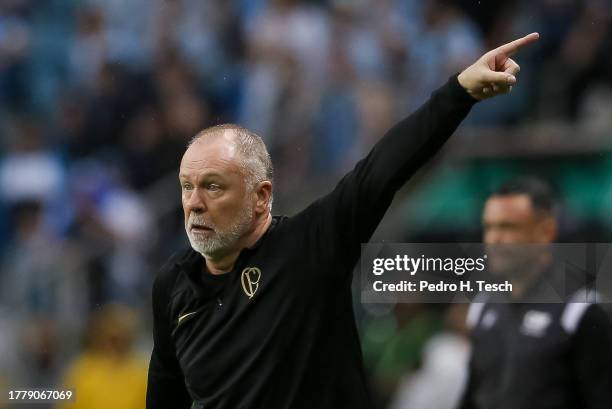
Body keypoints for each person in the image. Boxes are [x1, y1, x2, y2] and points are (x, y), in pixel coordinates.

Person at [146, 33, 540, 409]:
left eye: (213, 187)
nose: (193, 203)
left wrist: (459, 92)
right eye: (186, 187)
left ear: (261, 197)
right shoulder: (172, 285)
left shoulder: (311, 246)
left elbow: (381, 171)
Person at [458, 177, 612, 409]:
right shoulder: (484, 306)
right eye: (489, 227)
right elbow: (474, 395)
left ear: (545, 231)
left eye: (508, 227)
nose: (494, 240)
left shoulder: (579, 311)